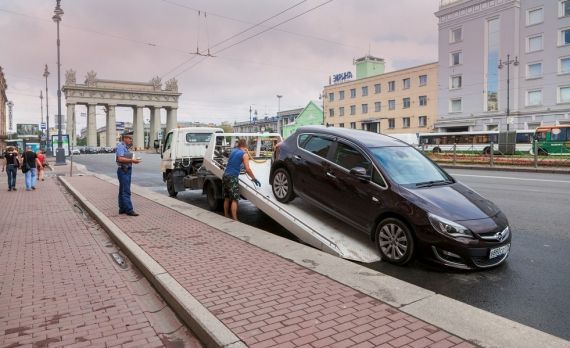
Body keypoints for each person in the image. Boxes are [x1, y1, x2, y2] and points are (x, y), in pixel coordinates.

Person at [222, 138, 261, 220]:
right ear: (245, 146)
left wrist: (240, 166)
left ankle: (226, 215)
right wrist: (254, 178)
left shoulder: (233, 151)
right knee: (235, 199)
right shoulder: (244, 154)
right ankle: (235, 219)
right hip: (232, 177)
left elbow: (233, 162)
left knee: (227, 197)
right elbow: (248, 169)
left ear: (239, 145)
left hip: (225, 175)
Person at [116, 132, 141, 216]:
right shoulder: (121, 146)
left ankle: (122, 208)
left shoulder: (125, 147)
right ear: (125, 138)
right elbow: (120, 159)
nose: (131, 140)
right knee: (126, 190)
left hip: (125, 170)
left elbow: (124, 157)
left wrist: (132, 159)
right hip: (123, 170)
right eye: (130, 138)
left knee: (122, 190)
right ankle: (129, 210)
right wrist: (132, 160)